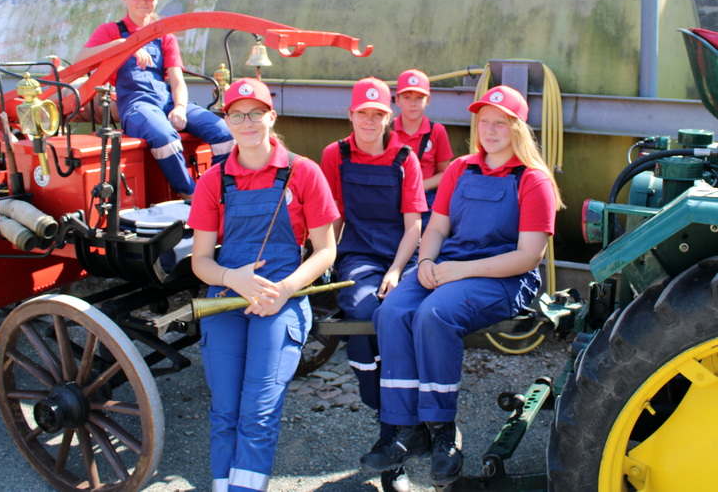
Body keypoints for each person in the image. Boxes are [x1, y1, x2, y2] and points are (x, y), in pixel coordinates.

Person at [360, 85, 563, 488]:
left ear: (518, 128)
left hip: (503, 277)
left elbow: (528, 256)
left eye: (500, 123)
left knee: (434, 314)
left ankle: (441, 431)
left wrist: (459, 272)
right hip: (448, 265)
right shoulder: (461, 168)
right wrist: (426, 262)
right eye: (484, 122)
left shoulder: (533, 179)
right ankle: (404, 428)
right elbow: (436, 228)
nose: (490, 130)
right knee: (392, 312)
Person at [187, 77, 339, 492]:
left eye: (256, 113)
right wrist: (230, 277)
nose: (247, 122)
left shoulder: (303, 172)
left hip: (280, 299)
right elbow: (201, 260)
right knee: (225, 410)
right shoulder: (214, 180)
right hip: (225, 298)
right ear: (227, 122)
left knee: (258, 411)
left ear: (272, 116)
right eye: (237, 115)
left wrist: (285, 290)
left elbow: (326, 251)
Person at [319, 77, 427, 491]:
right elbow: (330, 215)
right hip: (358, 256)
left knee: (399, 315)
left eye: (377, 114)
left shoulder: (405, 158)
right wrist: (322, 260)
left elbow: (414, 225)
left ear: (389, 117)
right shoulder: (336, 154)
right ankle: (387, 418)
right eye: (362, 113)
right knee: (365, 312)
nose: (369, 120)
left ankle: (403, 432)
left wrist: (397, 270)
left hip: (402, 255)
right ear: (350, 115)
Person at [75, 0, 234, 199]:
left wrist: (180, 108)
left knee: (222, 131)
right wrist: (124, 45)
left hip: (167, 101)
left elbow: (177, 80)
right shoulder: (111, 31)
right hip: (136, 106)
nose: (143, 2)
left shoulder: (164, 35)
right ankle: (190, 195)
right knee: (163, 135)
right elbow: (81, 59)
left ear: (157, 0)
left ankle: (223, 191)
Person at [392, 69, 453, 227]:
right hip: (392, 194)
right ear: (397, 100)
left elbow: (445, 173)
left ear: (428, 100)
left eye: (419, 98)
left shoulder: (437, 131)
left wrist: (418, 187)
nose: (413, 103)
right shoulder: (387, 130)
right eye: (407, 97)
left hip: (426, 197)